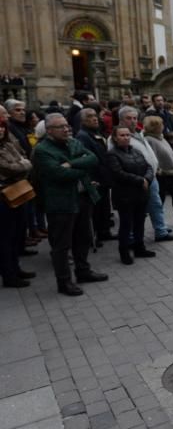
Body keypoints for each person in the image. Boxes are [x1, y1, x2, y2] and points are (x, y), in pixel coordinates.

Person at [33, 113, 109, 295]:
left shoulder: (73, 142)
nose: (66, 129)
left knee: (83, 238)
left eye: (67, 125)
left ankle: (83, 271)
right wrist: (80, 169)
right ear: (49, 130)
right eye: (61, 127)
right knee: (62, 245)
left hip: (83, 197)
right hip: (61, 202)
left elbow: (92, 159)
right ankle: (64, 282)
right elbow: (58, 174)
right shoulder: (43, 149)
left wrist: (71, 164)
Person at [113, 107, 173, 243]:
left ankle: (161, 231)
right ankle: (132, 238)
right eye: (128, 118)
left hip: (149, 176)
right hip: (135, 180)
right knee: (134, 212)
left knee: (156, 205)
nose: (132, 121)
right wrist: (140, 178)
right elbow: (117, 162)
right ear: (121, 120)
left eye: (135, 118)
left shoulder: (138, 133)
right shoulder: (117, 136)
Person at [107, 126, 156, 265]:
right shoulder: (112, 154)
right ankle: (124, 252)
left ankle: (139, 248)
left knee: (140, 222)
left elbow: (149, 167)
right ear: (115, 138)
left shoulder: (136, 150)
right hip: (125, 196)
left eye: (128, 135)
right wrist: (141, 180)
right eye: (122, 135)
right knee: (126, 225)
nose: (126, 137)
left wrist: (147, 178)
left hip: (141, 194)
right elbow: (118, 174)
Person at [0, 116, 33, 287]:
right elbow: (10, 167)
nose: (1, 130)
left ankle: (15, 268)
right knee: (5, 236)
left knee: (16, 233)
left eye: (2, 127)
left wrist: (21, 165)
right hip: (4, 196)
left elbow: (24, 157)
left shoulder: (7, 144)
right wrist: (22, 165)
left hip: (18, 191)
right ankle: (8, 274)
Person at [74, 107, 115, 244]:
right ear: (82, 120)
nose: (95, 118)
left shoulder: (94, 133)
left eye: (95, 115)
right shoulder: (82, 136)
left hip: (103, 176)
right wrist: (91, 180)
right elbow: (86, 159)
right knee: (95, 210)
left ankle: (104, 231)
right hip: (95, 178)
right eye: (90, 116)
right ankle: (95, 235)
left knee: (104, 207)